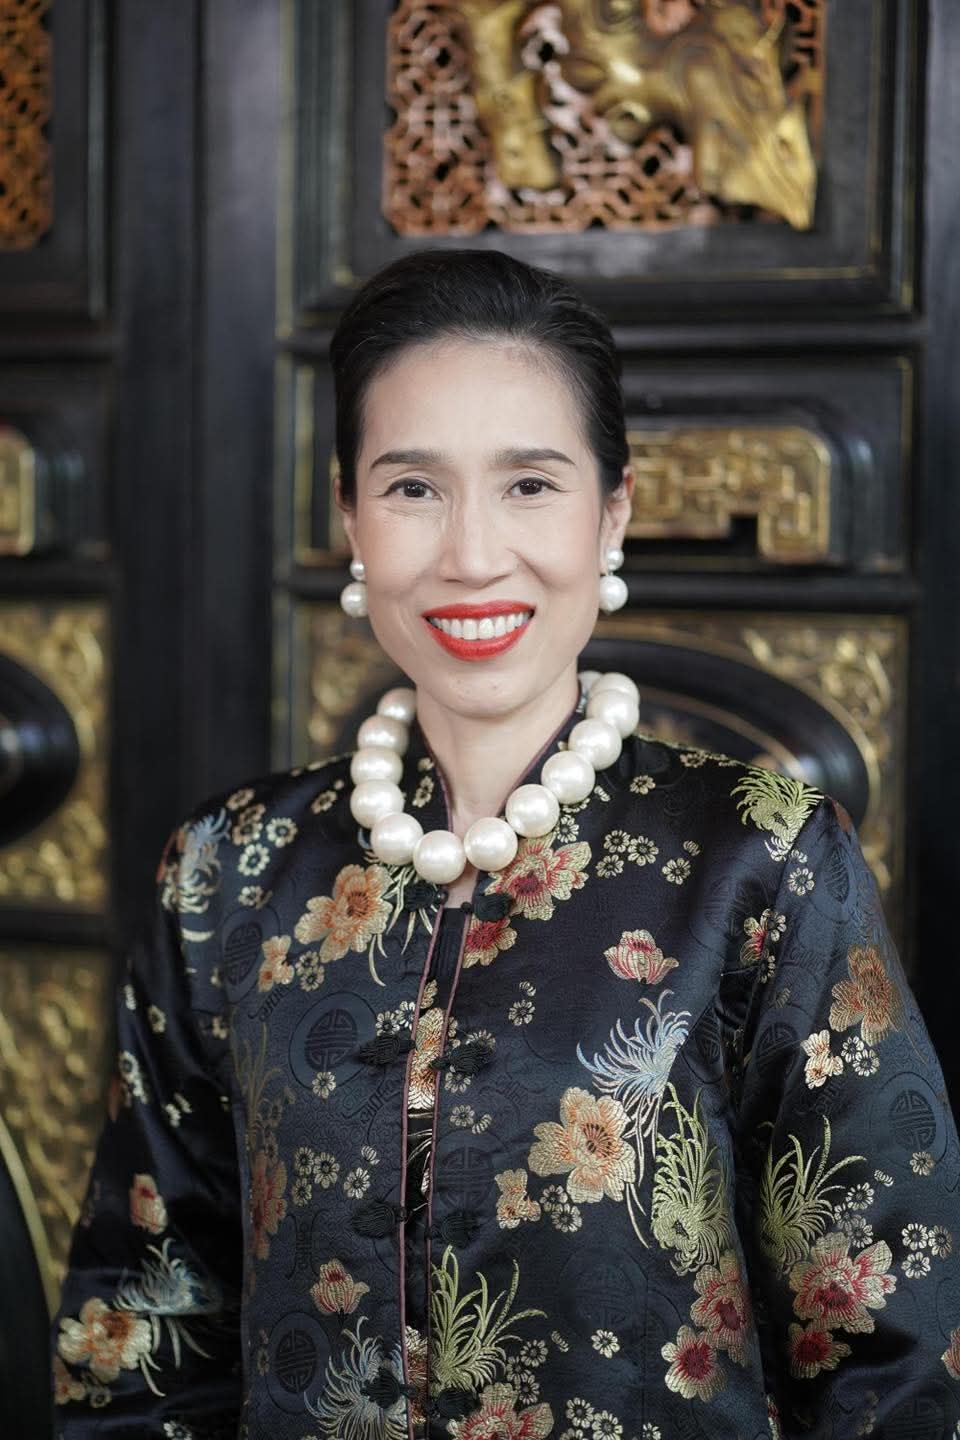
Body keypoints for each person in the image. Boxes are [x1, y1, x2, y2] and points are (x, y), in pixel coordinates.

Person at [53, 250, 960, 1439]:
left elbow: (891, 1357)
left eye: (530, 483)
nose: (472, 554)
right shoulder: (230, 871)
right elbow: (143, 1330)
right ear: (350, 515)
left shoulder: (762, 860)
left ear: (612, 512)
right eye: (413, 488)